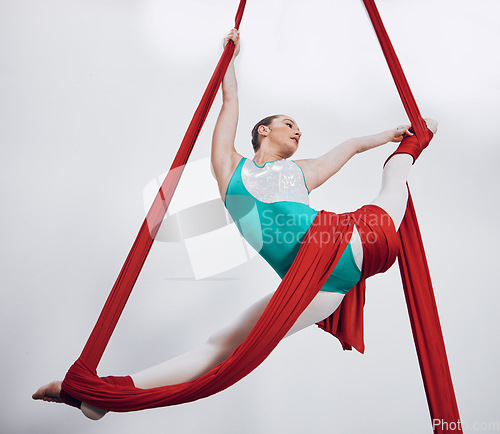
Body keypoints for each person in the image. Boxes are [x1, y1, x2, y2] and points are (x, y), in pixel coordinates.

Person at [33, 28, 438, 419]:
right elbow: (229, 102)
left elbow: (348, 147)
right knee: (219, 346)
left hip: (349, 241)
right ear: (264, 130)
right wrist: (230, 57)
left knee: (396, 168)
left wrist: (389, 134)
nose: (298, 130)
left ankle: (418, 137)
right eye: (288, 123)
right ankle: (103, 397)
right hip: (320, 288)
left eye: (299, 127)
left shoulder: (303, 172)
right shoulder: (230, 170)